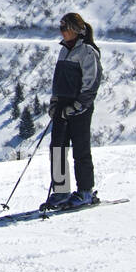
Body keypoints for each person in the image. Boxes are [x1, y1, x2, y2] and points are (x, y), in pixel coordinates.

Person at [41, 12, 103, 211]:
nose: (62, 32)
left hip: (79, 108)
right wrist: (54, 102)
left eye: (65, 28)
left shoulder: (87, 51)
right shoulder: (64, 50)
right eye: (61, 28)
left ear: (75, 30)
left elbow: (91, 83)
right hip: (62, 107)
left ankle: (85, 191)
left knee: (80, 149)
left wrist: (77, 106)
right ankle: (61, 192)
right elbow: (57, 80)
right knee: (57, 149)